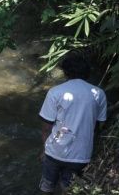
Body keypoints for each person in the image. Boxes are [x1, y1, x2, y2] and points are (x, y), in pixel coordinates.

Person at [38, 54, 107, 194]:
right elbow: (97, 128)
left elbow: (47, 128)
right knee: (68, 188)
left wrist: (44, 150)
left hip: (54, 152)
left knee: (46, 187)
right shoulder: (98, 94)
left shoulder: (55, 92)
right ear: (87, 72)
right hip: (81, 155)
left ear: (65, 72)